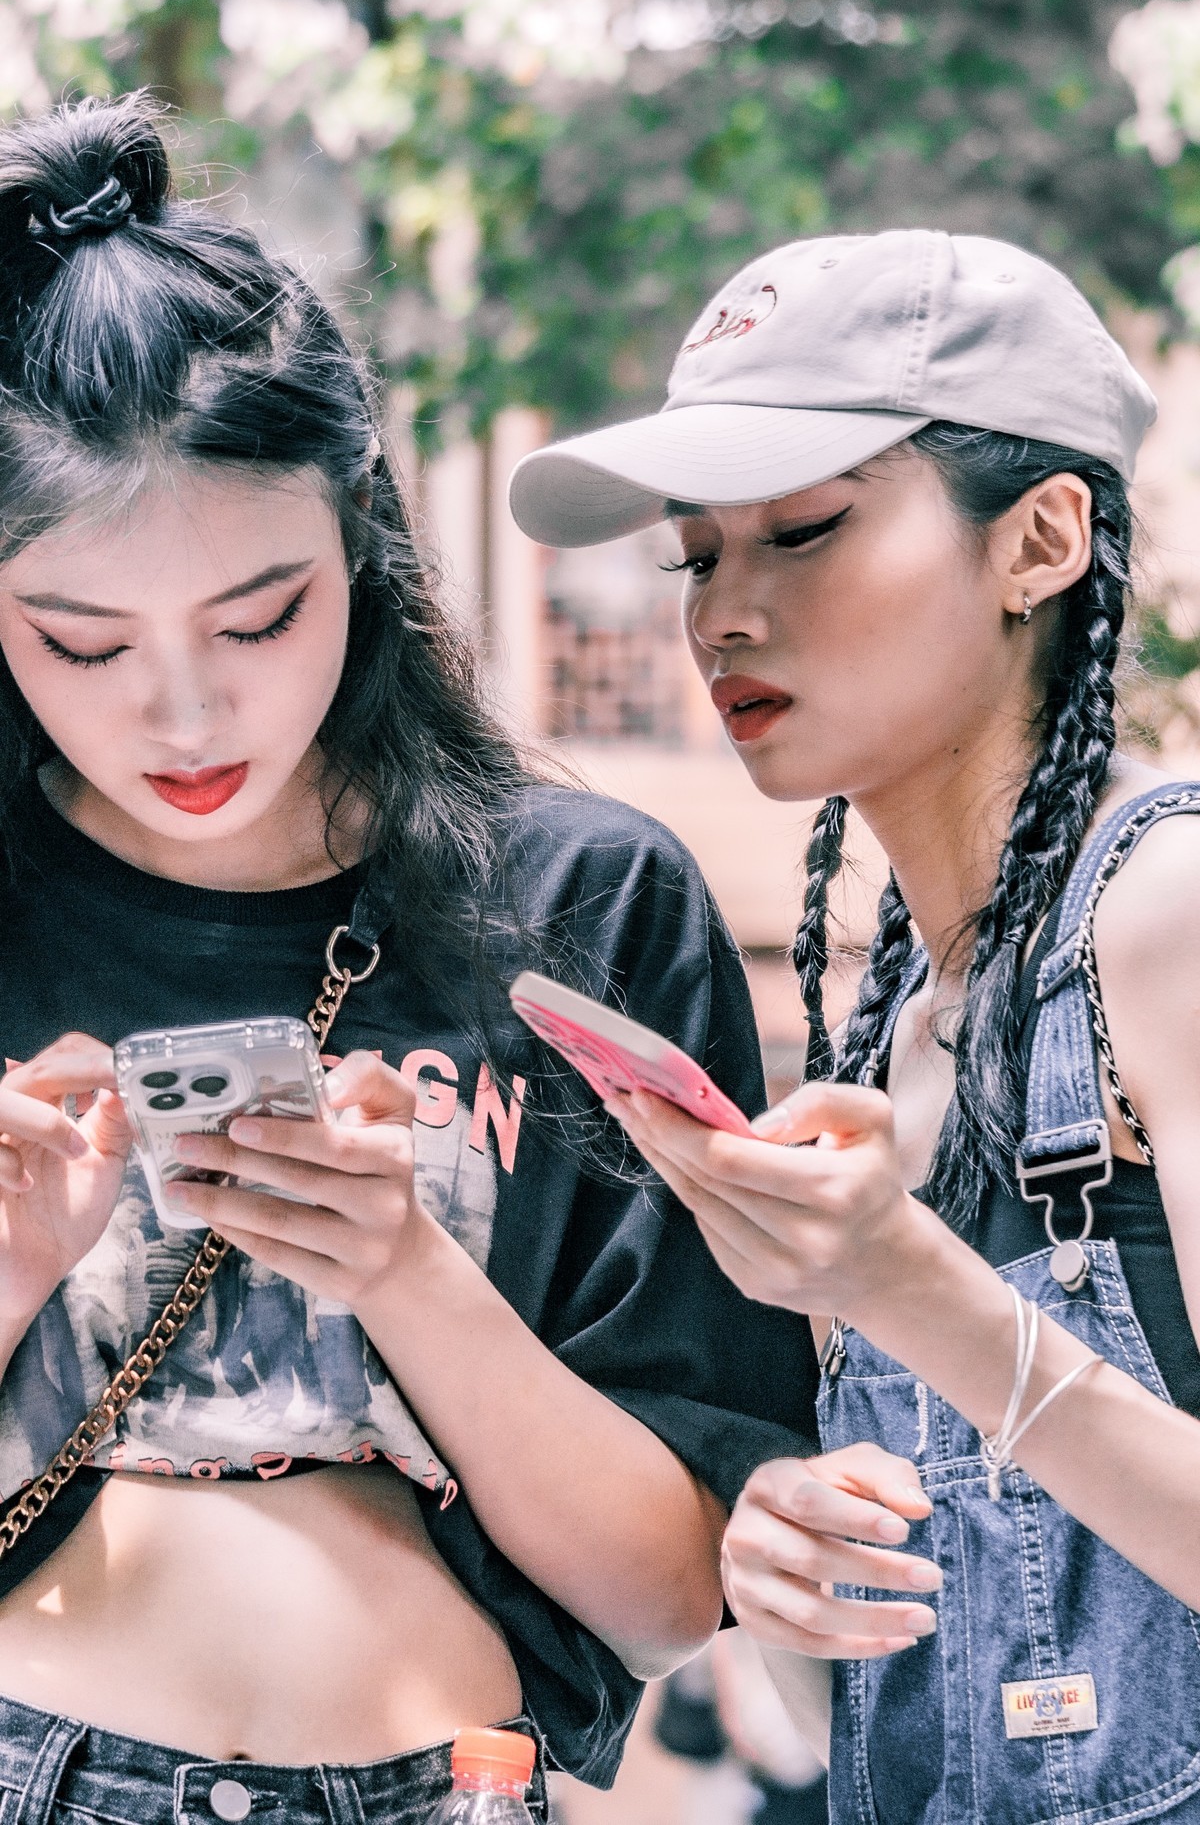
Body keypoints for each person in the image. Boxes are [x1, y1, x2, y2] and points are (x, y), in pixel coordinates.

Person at [0, 95, 819, 1825]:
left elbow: (675, 1595)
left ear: (364, 542)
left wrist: (407, 1270)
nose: (188, 710)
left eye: (259, 613)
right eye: (83, 641)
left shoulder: (584, 907)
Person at [509, 228, 1200, 1824]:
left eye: (804, 531)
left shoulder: (1164, 915)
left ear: (1039, 540)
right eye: (697, 554)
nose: (723, 614)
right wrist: (784, 1564)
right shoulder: (902, 1026)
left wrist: (908, 1284)